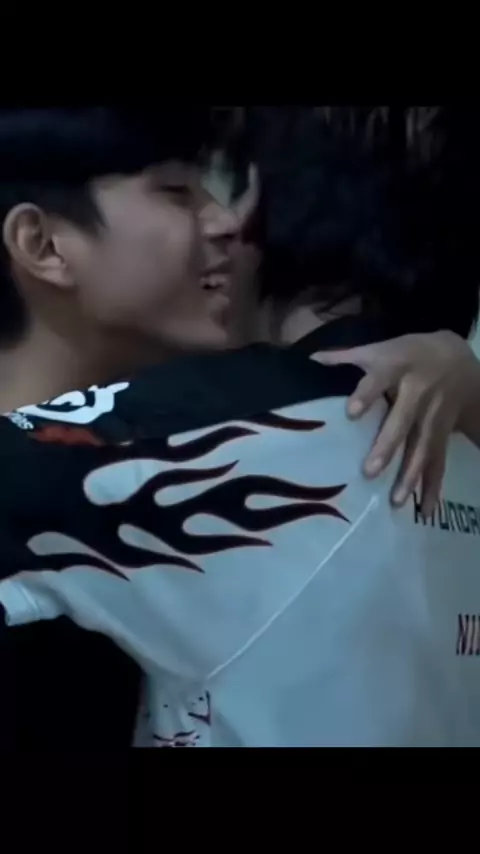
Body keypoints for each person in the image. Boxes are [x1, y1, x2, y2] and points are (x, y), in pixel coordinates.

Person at [2, 105, 480, 746]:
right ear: (42, 245)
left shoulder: (209, 439)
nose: (229, 223)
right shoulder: (157, 447)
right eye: (178, 191)